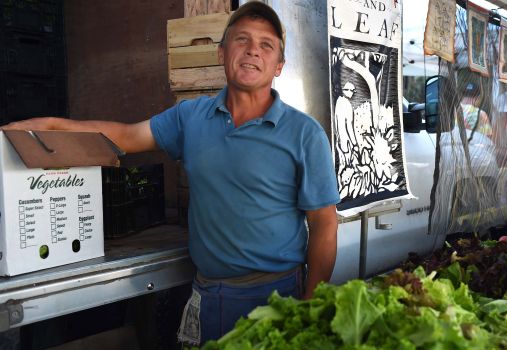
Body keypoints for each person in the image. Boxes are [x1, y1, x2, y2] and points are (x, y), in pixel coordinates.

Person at [2, 1, 339, 345]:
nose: (253, 51)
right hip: (208, 293)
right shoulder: (190, 117)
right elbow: (127, 136)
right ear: (222, 53)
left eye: (266, 45)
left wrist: (310, 307)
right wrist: (53, 125)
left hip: (275, 296)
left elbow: (325, 223)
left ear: (279, 65)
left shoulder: (303, 133)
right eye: (242, 40)